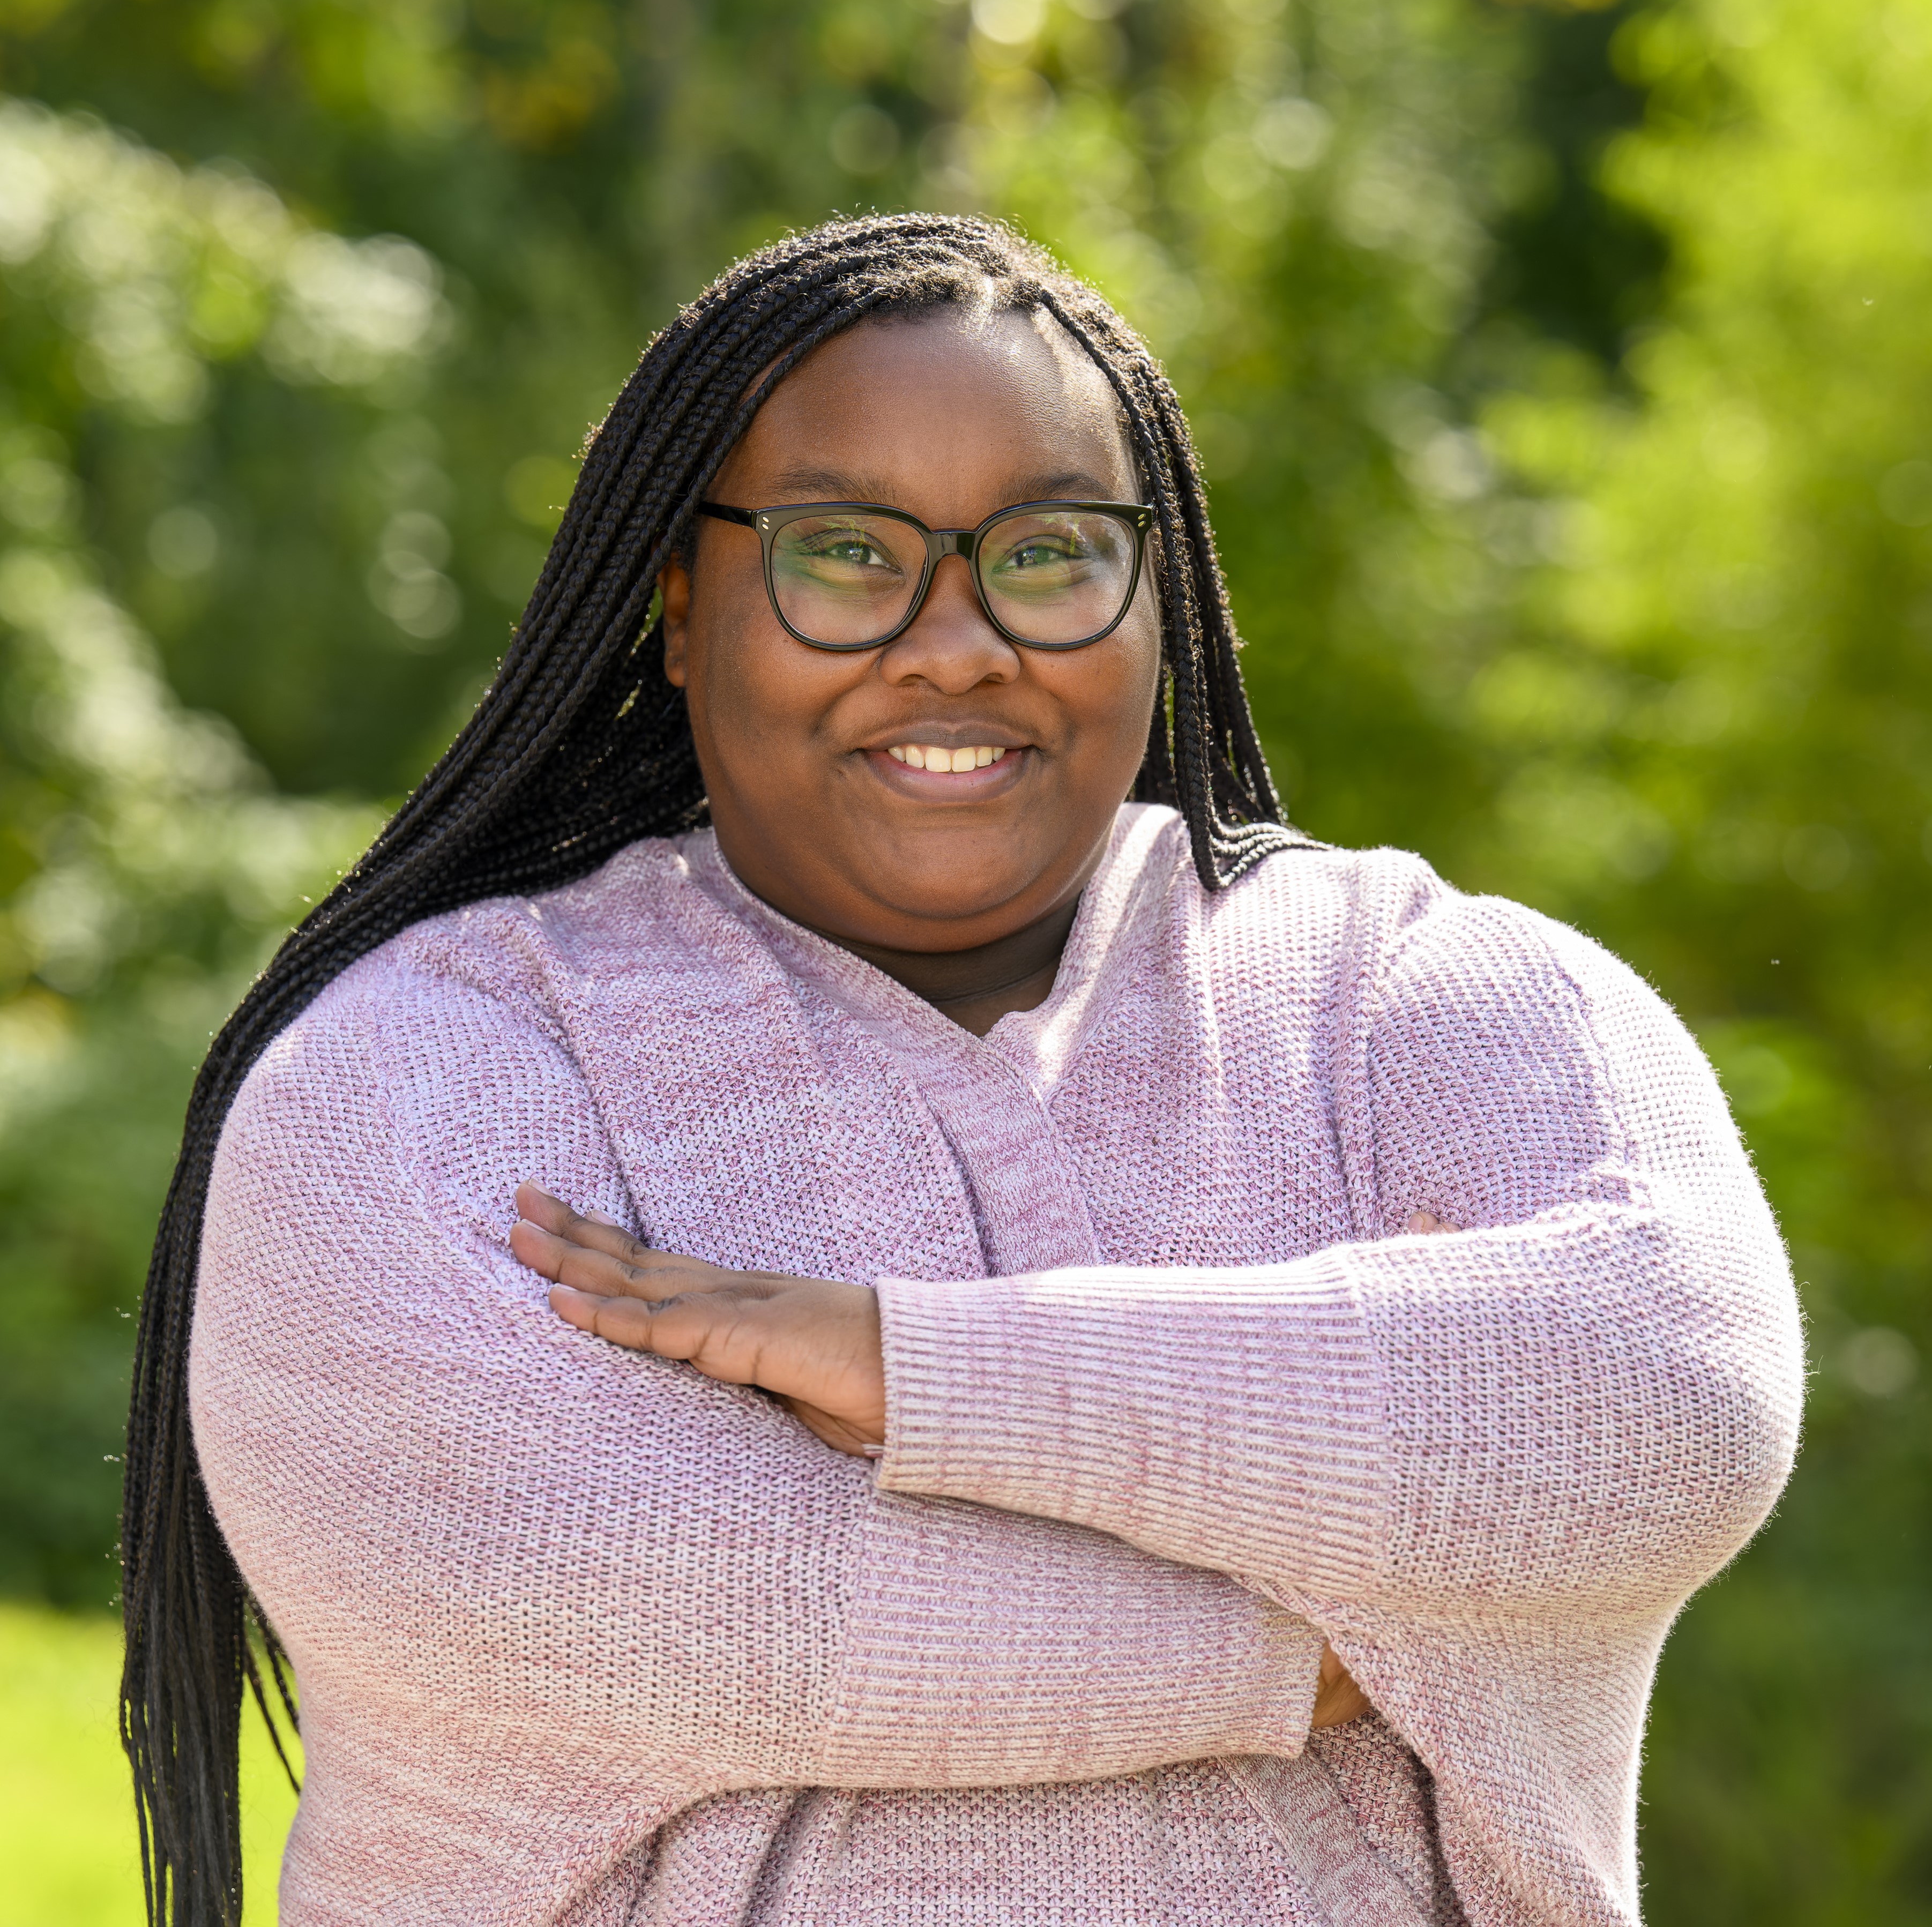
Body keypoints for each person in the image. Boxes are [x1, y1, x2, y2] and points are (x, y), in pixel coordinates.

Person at [121, 215, 1803, 1927]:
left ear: (1164, 598)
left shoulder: (1412, 990)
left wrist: (910, 1370)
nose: (957, 644)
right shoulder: (429, 1067)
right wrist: (1329, 1636)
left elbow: (1666, 1396)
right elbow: (616, 1596)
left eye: (1050, 553)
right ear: (683, 610)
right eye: (846, 554)